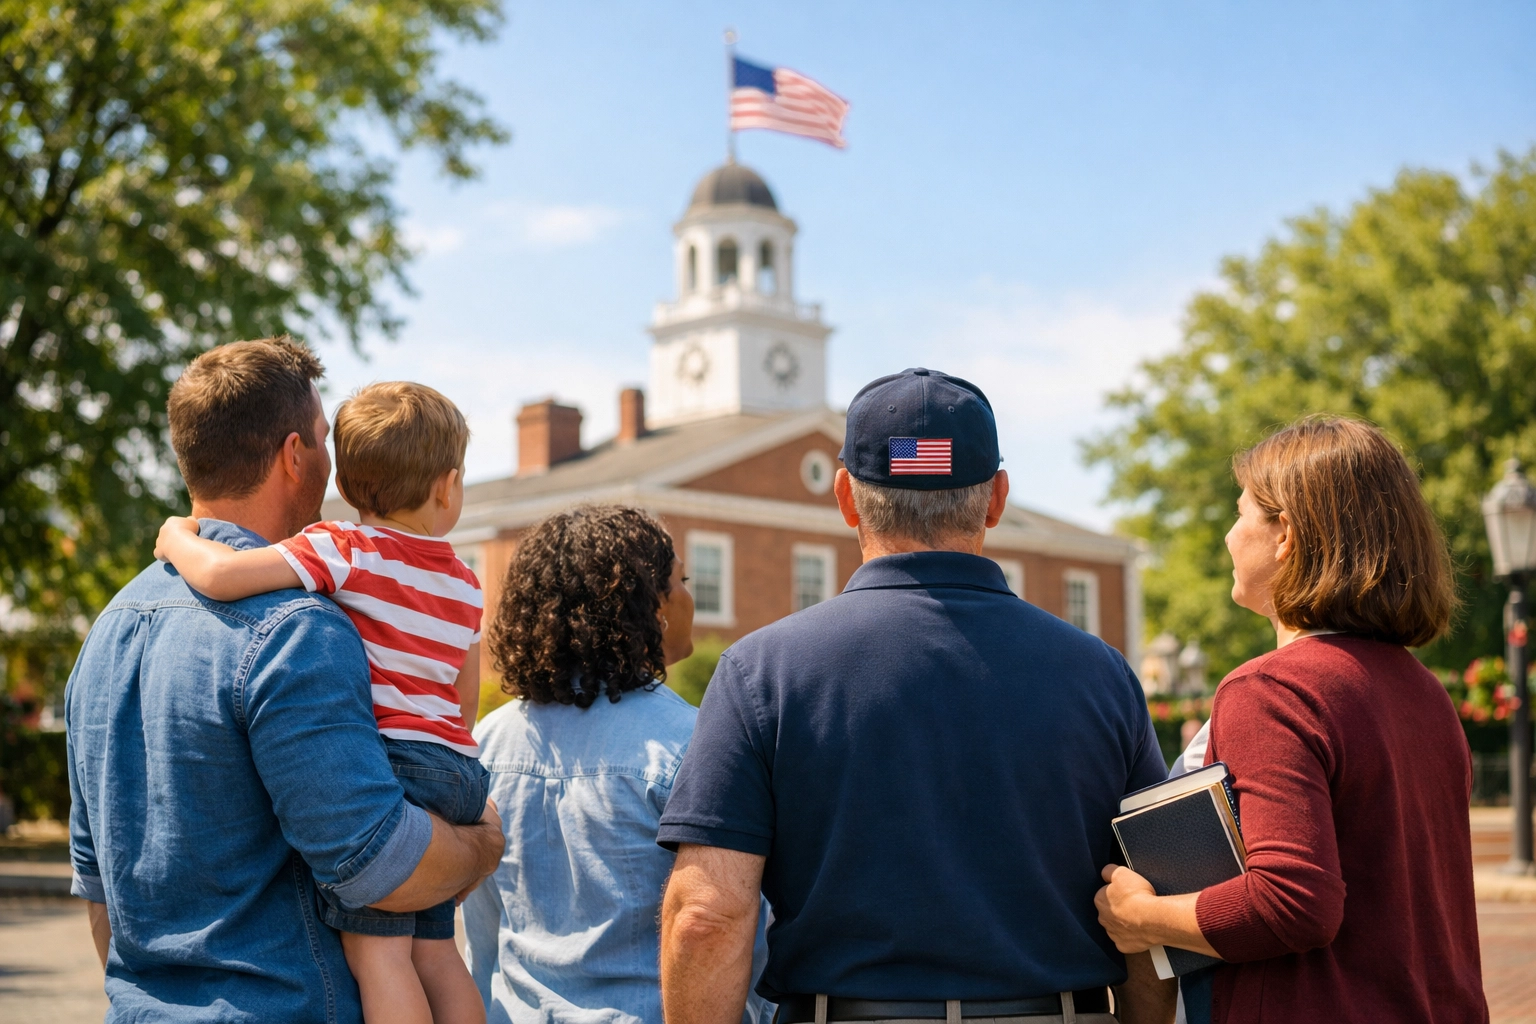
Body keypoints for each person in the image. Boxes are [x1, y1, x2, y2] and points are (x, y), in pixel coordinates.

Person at [656, 367, 1174, 1024]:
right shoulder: (1102, 674)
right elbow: (1146, 901)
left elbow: (707, 914)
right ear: (996, 499)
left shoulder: (762, 672)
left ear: (845, 497)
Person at [66, 339, 504, 1023]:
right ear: (295, 455)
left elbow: (100, 887)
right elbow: (375, 864)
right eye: (327, 440)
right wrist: (482, 844)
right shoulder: (300, 629)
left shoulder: (107, 631)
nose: (336, 465)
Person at [1094, 416, 1489, 1024]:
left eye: (1240, 513)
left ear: (1285, 534)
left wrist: (1139, 917)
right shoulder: (1424, 691)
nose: (1228, 537)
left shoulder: (1272, 689)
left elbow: (1292, 901)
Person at [462, 505, 772, 1024]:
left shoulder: (486, 744)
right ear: (651, 607)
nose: (691, 598)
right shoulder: (697, 744)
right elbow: (738, 929)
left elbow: (483, 937)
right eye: (682, 581)